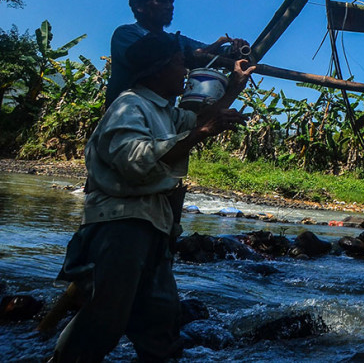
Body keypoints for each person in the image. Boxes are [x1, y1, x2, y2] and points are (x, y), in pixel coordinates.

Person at [53, 32, 255, 362]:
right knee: (103, 322)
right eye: (179, 64)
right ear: (157, 70)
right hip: (121, 227)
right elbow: (136, 161)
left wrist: (233, 87)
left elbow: (199, 121)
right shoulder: (130, 105)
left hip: (153, 227)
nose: (185, 73)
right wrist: (202, 132)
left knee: (160, 323)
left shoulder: (161, 110)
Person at [106, 0, 248, 107]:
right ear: (140, 6)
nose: (170, 6)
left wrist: (234, 49)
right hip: (129, 114)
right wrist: (205, 50)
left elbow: (212, 54)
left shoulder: (174, 41)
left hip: (161, 119)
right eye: (161, 1)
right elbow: (151, 55)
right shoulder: (126, 35)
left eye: (171, 1)